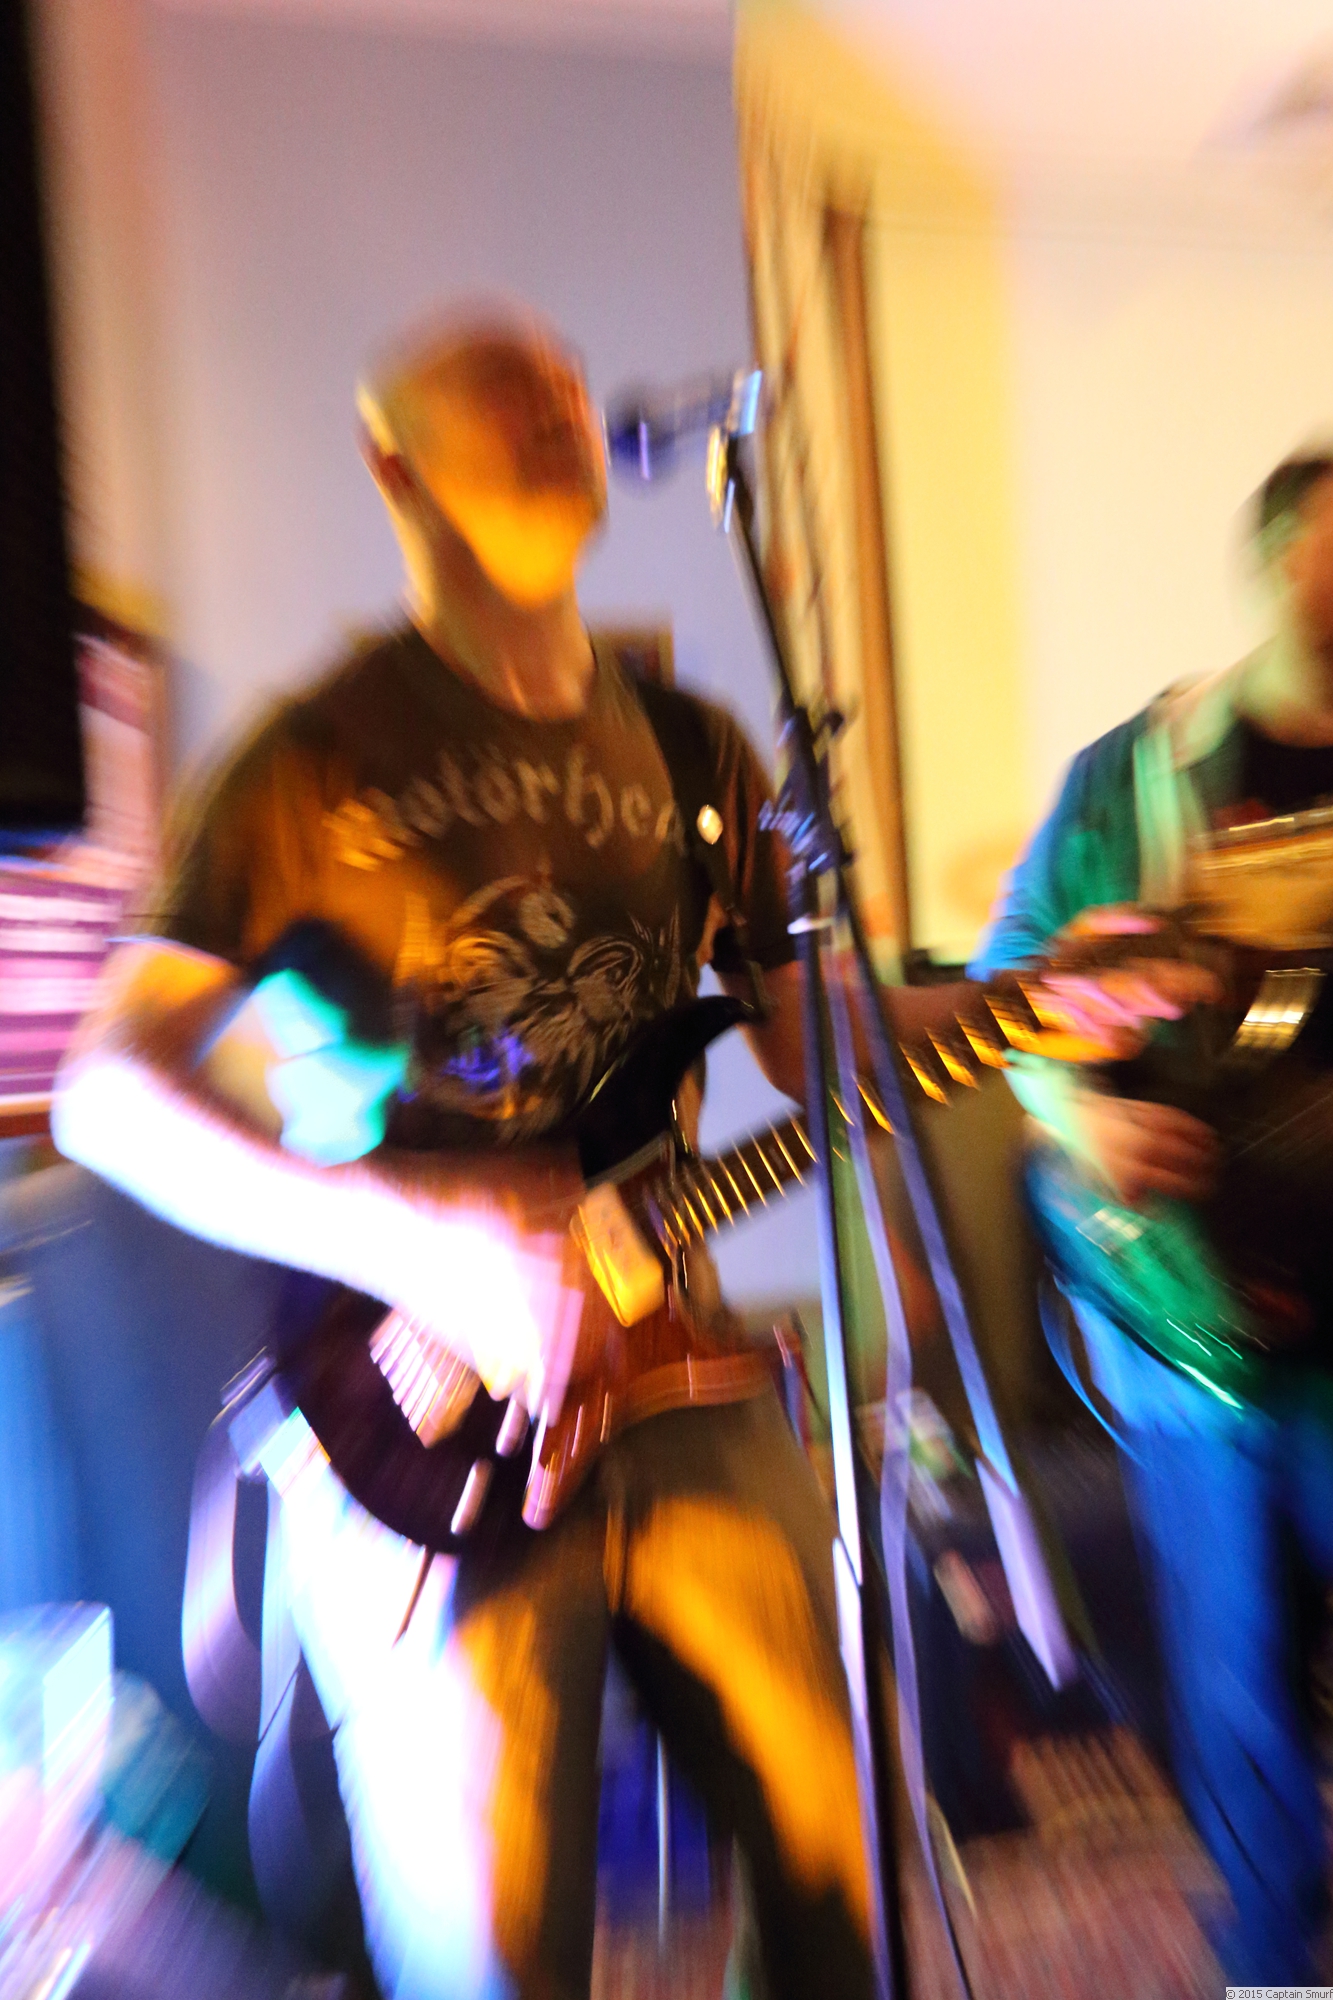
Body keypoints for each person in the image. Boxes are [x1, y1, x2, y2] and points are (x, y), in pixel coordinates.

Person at [53, 305, 1202, 2000]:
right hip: (416, 1418)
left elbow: (810, 1042)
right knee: (489, 1956)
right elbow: (106, 1089)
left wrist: (1030, 998)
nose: (556, 396)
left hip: (672, 1366)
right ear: (391, 461)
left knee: (841, 1889)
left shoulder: (689, 746)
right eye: (497, 377)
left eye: (567, 380)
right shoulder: (302, 765)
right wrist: (420, 1236)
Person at [972, 450, 1333, 1986]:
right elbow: (1006, 1000)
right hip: (1195, 1318)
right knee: (1240, 1683)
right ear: (1274, 560)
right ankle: (1271, 1964)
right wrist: (1087, 1119)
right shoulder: (1140, 776)